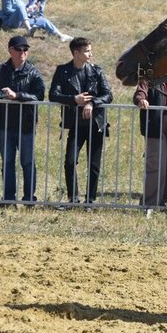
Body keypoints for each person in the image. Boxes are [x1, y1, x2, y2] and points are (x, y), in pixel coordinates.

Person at [49, 37, 113, 207]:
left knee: (94, 164)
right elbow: (53, 95)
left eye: (90, 50)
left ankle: (90, 201)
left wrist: (92, 103)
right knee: (70, 162)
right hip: (75, 125)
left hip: (96, 125)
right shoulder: (63, 71)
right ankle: (73, 199)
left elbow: (108, 94)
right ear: (76, 53)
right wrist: (74, 99)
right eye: (86, 51)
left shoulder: (97, 71)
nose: (90, 53)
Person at [0, 36, 46, 206]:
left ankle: (29, 199)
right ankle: (8, 199)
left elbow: (39, 95)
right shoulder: (0, 70)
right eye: (19, 49)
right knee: (8, 162)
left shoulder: (33, 72)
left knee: (27, 162)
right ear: (10, 50)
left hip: (25, 125)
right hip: (3, 124)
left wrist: (17, 96)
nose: (23, 53)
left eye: (25, 49)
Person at [134, 79, 167, 210]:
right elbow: (140, 92)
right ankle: (150, 203)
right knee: (156, 165)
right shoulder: (149, 78)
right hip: (155, 128)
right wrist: (141, 100)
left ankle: (165, 201)